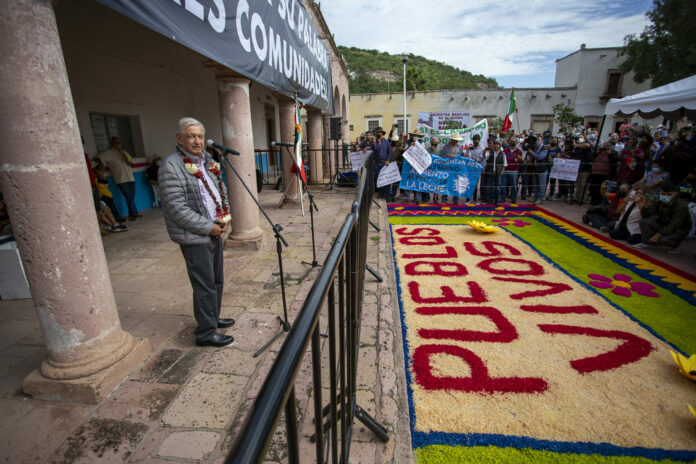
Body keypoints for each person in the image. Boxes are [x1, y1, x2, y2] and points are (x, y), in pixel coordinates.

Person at [159, 117, 236, 347]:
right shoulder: (171, 166)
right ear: (179, 138)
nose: (197, 141)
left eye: (200, 136)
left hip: (214, 230)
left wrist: (224, 218)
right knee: (204, 285)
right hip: (194, 236)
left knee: (217, 281)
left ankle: (212, 318)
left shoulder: (207, 160)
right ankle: (205, 333)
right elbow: (177, 209)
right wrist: (208, 227)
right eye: (191, 136)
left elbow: (220, 189)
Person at [635, 181, 692, 253]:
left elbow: (675, 224)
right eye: (663, 194)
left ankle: (676, 244)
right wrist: (642, 204)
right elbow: (646, 215)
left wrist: (658, 234)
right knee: (644, 222)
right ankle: (646, 243)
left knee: (662, 240)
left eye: (669, 194)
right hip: (664, 223)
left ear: (675, 194)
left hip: (679, 229)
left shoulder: (681, 205)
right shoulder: (659, 199)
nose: (665, 196)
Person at [96, 136, 141, 220]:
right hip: (121, 178)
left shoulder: (124, 152)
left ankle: (132, 212)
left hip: (130, 177)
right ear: (112, 144)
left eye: (118, 142)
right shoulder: (109, 153)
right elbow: (98, 158)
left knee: (131, 196)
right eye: (115, 143)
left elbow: (132, 163)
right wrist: (102, 166)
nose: (118, 144)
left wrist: (124, 155)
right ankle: (133, 213)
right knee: (128, 195)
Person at [439, 134, 464, 204]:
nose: (456, 141)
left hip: (456, 169)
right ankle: (444, 199)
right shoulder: (445, 147)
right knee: (446, 183)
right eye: (455, 139)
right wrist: (448, 155)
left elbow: (462, 156)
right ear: (451, 139)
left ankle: (455, 199)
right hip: (447, 168)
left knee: (456, 183)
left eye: (457, 140)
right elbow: (441, 156)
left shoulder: (459, 147)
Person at [482, 138, 507, 205]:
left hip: (498, 173)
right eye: (495, 144)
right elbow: (485, 157)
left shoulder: (503, 154)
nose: (496, 145)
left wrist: (501, 172)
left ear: (500, 145)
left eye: (497, 144)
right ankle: (487, 200)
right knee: (488, 187)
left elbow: (504, 164)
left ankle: (497, 201)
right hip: (490, 172)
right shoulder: (490, 152)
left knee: (497, 188)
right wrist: (484, 152)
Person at [372, 127, 393, 200]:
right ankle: (381, 194)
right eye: (377, 132)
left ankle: (387, 195)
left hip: (385, 163)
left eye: (379, 132)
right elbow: (375, 149)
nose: (378, 133)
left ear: (382, 133)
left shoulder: (386, 142)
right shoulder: (374, 142)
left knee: (386, 179)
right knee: (378, 179)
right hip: (377, 163)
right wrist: (375, 142)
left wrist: (388, 160)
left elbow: (390, 152)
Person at [502, 136, 523, 202]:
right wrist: (513, 159)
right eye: (512, 141)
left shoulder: (519, 151)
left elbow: (522, 160)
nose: (513, 143)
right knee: (504, 185)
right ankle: (503, 198)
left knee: (514, 186)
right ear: (509, 142)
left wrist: (519, 158)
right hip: (505, 170)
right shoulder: (505, 151)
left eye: (514, 142)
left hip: (514, 171)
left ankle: (513, 198)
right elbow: (503, 160)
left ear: (516, 142)